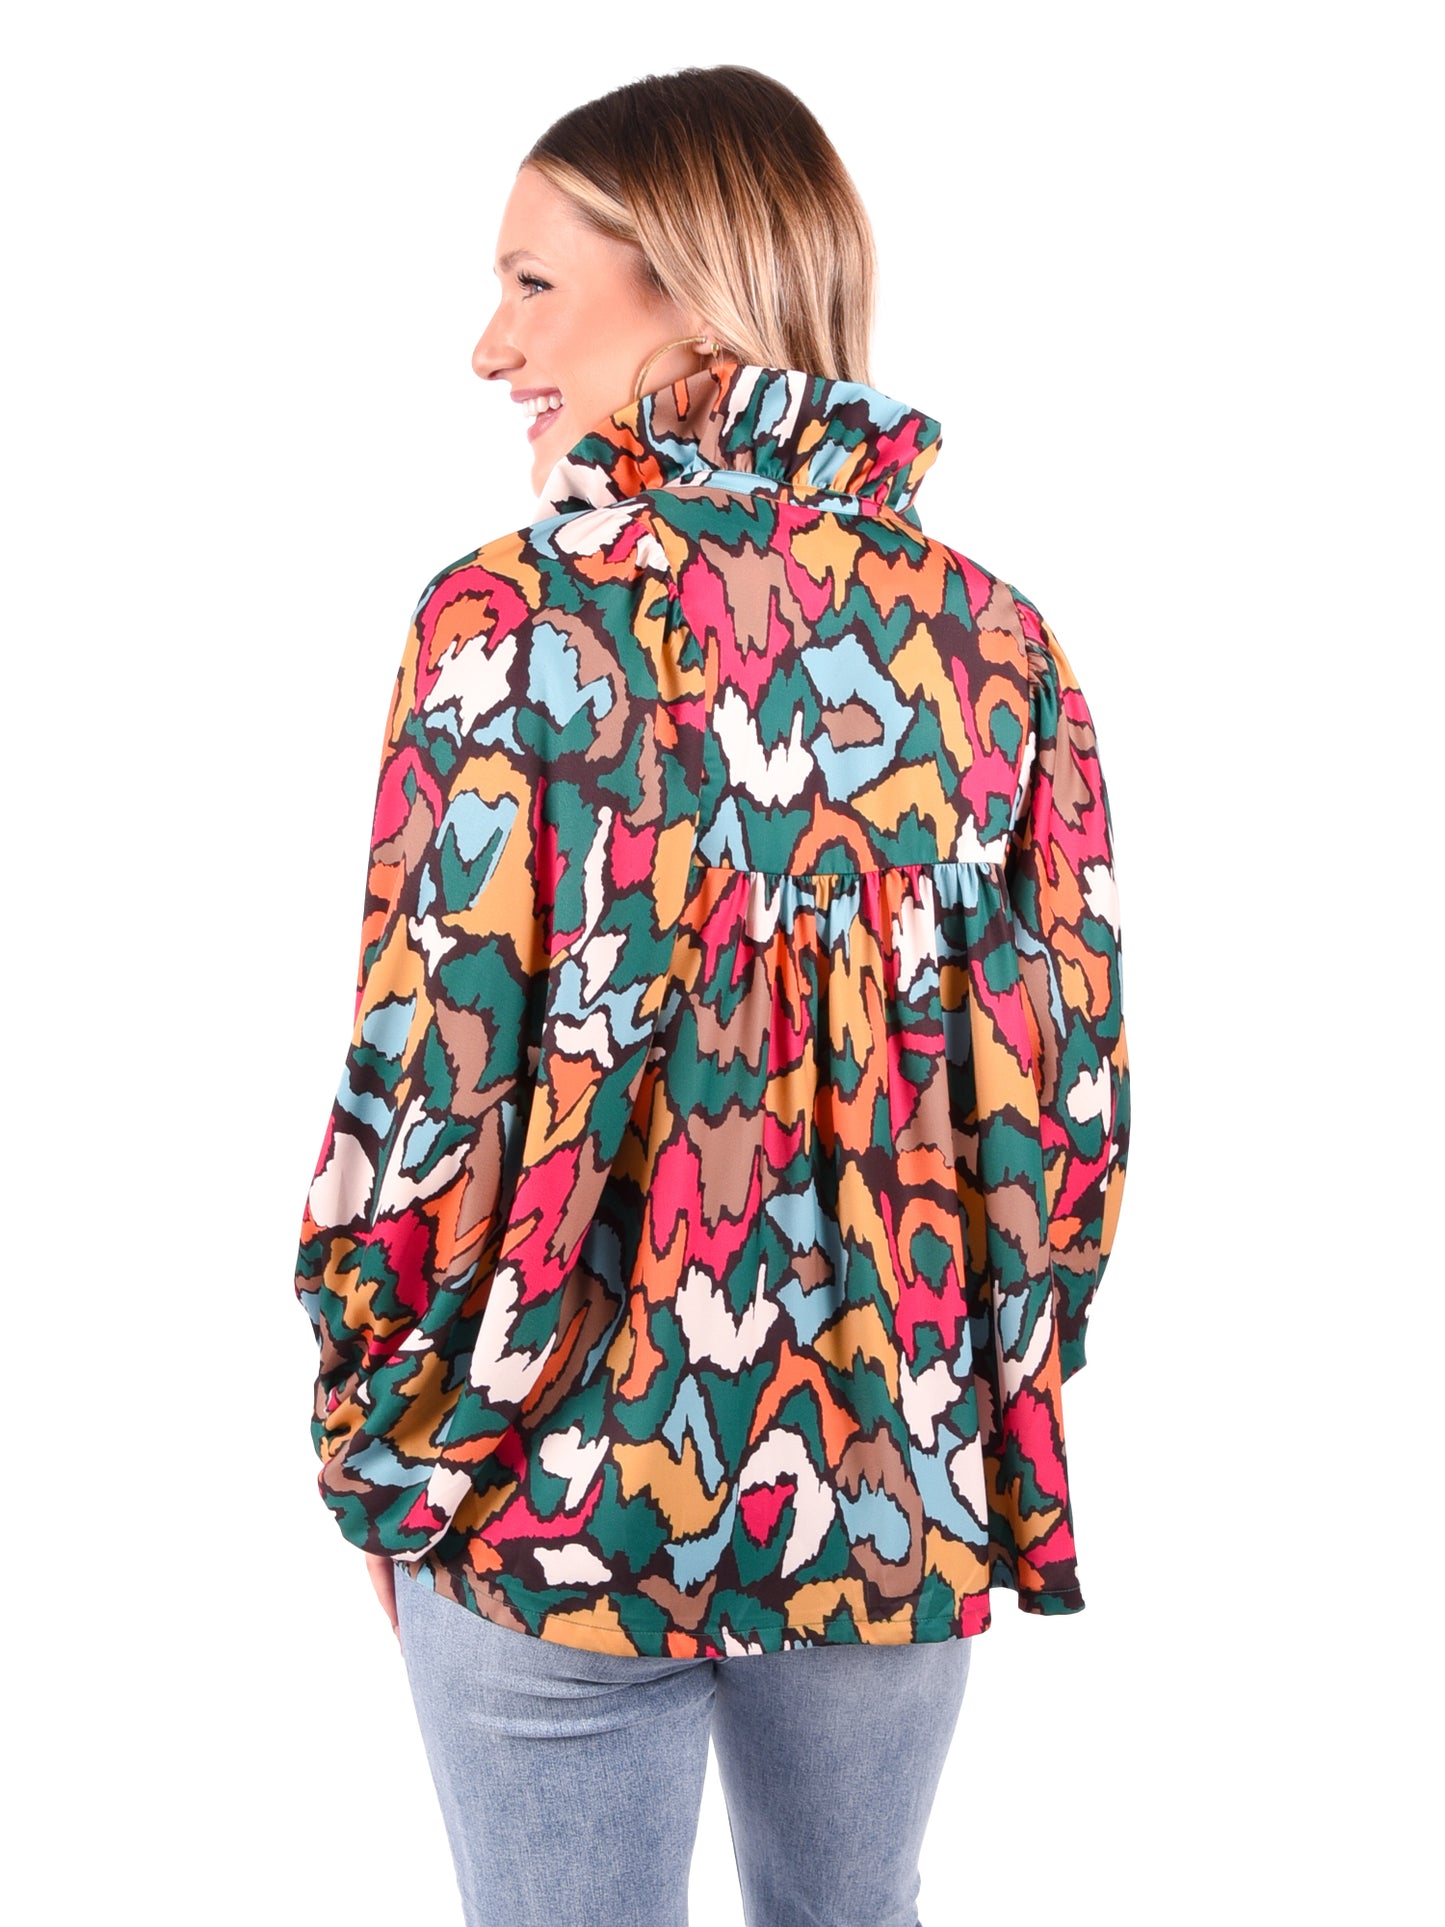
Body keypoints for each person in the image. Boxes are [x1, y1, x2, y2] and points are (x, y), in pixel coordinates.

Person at [293, 62, 1130, 1927]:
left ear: (686, 282)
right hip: (886, 1489)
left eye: (531, 284)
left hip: (546, 1488)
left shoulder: (507, 624)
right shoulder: (997, 647)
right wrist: (970, 1409)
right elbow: (1063, 1112)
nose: (489, 347)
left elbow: (425, 1081)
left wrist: (380, 1429)